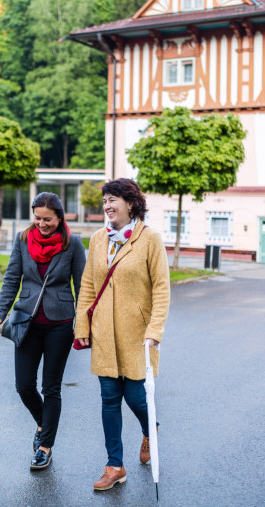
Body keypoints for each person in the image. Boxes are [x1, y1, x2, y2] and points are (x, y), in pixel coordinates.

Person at [74, 178, 170, 491]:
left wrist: (154, 331)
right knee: (109, 398)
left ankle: (149, 427)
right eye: (105, 201)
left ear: (131, 203)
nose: (107, 206)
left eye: (113, 200)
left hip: (138, 336)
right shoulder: (98, 239)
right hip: (103, 333)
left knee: (135, 396)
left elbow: (161, 289)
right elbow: (88, 284)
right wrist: (82, 327)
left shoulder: (150, 239)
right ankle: (115, 465)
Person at [0, 192, 86, 471]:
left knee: (50, 387)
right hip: (26, 322)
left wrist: (84, 324)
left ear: (59, 217)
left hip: (61, 324)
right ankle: (44, 424)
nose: (42, 224)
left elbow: (82, 286)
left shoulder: (73, 243)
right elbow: (11, 279)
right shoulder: (22, 240)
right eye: (38, 218)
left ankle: (44, 447)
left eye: (48, 220)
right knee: (24, 385)